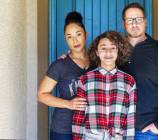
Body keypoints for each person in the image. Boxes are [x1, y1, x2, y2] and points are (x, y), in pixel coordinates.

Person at [120, 3, 158, 140]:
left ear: (145, 21)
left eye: (139, 19)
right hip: (118, 130)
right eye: (130, 19)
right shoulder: (116, 50)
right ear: (124, 23)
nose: (134, 23)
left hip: (146, 131)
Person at [72, 31, 137, 140]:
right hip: (91, 137)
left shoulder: (128, 81)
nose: (108, 52)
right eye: (103, 48)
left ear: (118, 51)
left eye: (113, 48)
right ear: (97, 52)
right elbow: (79, 114)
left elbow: (130, 116)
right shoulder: (85, 80)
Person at [37, 11, 90, 140]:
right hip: (64, 129)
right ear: (65, 39)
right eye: (69, 37)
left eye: (78, 34)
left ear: (85, 35)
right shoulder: (60, 65)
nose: (75, 40)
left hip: (90, 128)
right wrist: (69, 104)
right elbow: (41, 95)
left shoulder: (96, 61)